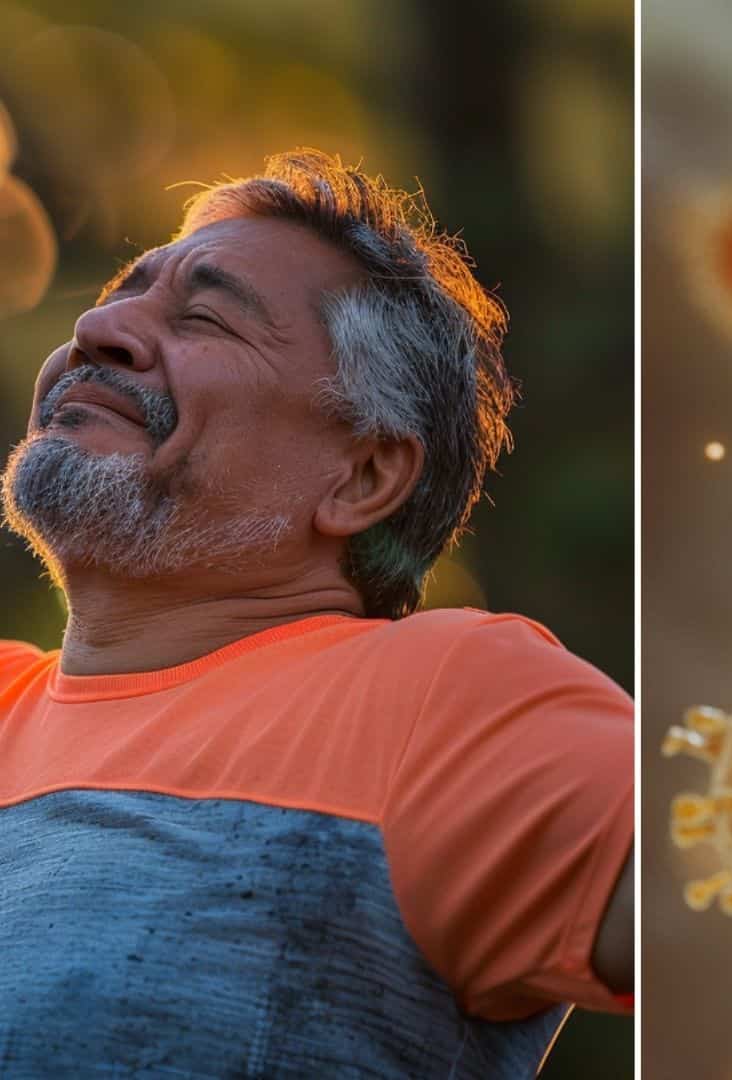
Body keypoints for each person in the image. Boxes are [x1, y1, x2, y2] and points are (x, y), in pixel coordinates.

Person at [0, 149, 634, 1075]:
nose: (100, 328)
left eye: (206, 317)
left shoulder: (444, 702)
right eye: (117, 296)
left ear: (363, 476)